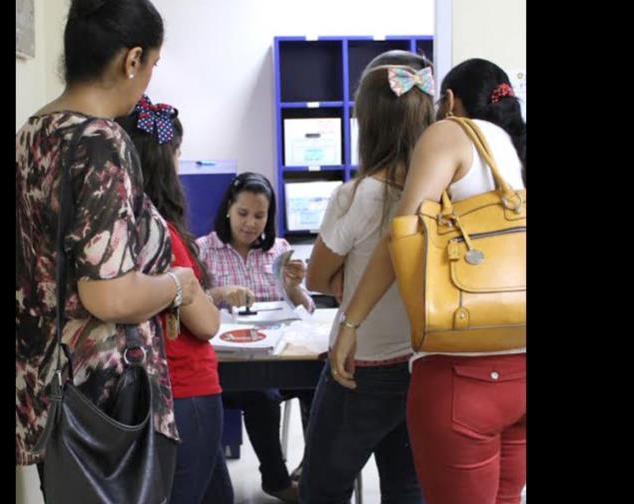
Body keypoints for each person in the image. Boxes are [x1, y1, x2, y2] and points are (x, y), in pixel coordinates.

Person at [15, 0, 202, 500]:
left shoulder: (33, 134)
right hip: (108, 400)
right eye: (152, 66)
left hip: (51, 391)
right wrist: (176, 284)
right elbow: (110, 297)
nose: (147, 81)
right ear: (132, 59)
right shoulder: (100, 141)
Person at [330, 58, 527, 504]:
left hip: (463, 376)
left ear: (451, 102)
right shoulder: (510, 147)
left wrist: (350, 324)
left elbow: (400, 236)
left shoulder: (448, 133)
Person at [300, 50, 434, 504]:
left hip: (359, 369)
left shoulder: (357, 195)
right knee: (407, 487)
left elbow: (317, 276)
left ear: (367, 122)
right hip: (420, 365)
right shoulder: (439, 195)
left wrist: (344, 283)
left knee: (322, 486)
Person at [118, 96, 234, 504]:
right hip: (184, 391)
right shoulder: (161, 233)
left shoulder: (113, 230)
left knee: (217, 494)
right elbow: (206, 324)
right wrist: (194, 290)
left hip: (142, 392)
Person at [196, 172, 314, 503]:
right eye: (243, 213)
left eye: (259, 216)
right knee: (262, 394)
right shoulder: (205, 250)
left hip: (278, 354)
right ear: (228, 211)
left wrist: (293, 286)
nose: (250, 224)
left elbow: (306, 308)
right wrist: (220, 293)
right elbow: (189, 303)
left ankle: (315, 471)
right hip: (228, 364)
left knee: (319, 384)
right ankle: (276, 480)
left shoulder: (280, 250)